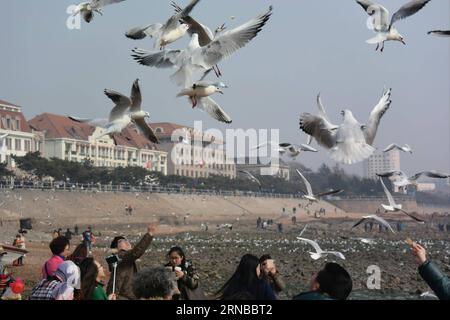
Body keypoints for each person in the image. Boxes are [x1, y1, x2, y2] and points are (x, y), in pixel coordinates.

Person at [106, 224, 156, 300]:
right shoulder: (121, 256)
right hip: (123, 297)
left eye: (126, 240)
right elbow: (136, 252)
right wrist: (149, 234)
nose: (127, 242)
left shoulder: (120, 259)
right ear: (116, 247)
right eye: (122, 241)